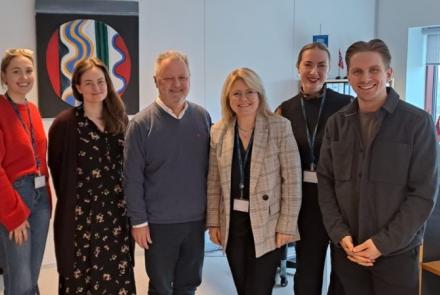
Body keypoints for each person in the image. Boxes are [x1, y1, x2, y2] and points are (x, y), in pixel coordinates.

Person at [318, 39, 439, 295]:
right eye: (357, 71)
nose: (366, 78)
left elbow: (423, 194)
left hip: (396, 253)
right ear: (348, 75)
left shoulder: (417, 123)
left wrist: (381, 244)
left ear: (389, 73)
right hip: (347, 250)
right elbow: (326, 184)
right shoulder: (336, 124)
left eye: (374, 70)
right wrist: (340, 234)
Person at [207, 67, 302, 295]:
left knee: (259, 288)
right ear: (227, 99)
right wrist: (214, 223)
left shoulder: (280, 126)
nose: (243, 99)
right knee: (242, 286)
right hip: (233, 223)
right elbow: (213, 183)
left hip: (267, 224)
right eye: (236, 94)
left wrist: (287, 226)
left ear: (260, 94)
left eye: (250, 92)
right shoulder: (219, 131)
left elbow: (292, 181)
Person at [123, 50, 211, 295]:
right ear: (156, 82)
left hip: (195, 221)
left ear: (189, 79)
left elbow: (210, 172)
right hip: (158, 224)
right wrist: (138, 221)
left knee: (189, 284)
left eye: (182, 77)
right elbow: (132, 178)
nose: (176, 84)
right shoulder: (141, 125)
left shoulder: (202, 118)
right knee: (161, 287)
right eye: (168, 78)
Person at [48, 57, 136, 294]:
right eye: (88, 83)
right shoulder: (65, 124)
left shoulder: (120, 120)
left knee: (115, 279)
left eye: (100, 81)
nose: (96, 88)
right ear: (77, 87)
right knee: (80, 280)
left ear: (108, 83)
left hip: (115, 216)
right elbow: (58, 172)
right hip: (80, 220)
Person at [276, 42, 352, 295]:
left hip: (340, 201)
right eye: (308, 64)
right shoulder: (284, 110)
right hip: (305, 202)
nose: (314, 71)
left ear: (329, 69)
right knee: (307, 268)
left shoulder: (348, 106)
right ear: (298, 67)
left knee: (343, 270)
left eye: (321, 65)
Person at [0, 48, 51, 294]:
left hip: (40, 199)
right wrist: (13, 214)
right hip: (14, 197)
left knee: (30, 278)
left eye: (28, 71)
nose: (24, 77)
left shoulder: (32, 109)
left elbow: (39, 157)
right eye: (16, 71)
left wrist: (48, 198)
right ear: (4, 77)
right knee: (19, 281)